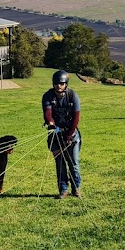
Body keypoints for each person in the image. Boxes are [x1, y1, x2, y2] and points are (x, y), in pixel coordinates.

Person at [41, 69, 81, 199]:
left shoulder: (73, 96)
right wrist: (51, 123)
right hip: (55, 134)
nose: (59, 86)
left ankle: (76, 188)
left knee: (73, 162)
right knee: (60, 163)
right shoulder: (47, 96)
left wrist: (68, 136)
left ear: (66, 84)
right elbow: (48, 113)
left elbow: (76, 118)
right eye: (57, 83)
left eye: (62, 83)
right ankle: (63, 190)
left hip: (71, 134)